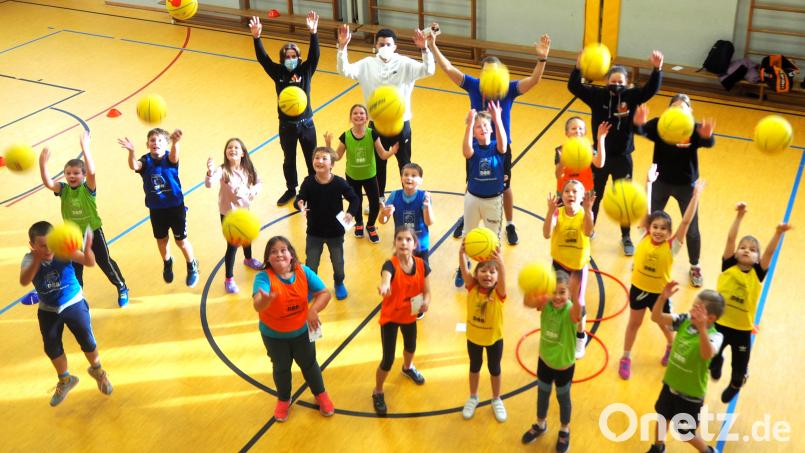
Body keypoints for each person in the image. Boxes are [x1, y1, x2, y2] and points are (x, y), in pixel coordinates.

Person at [432, 25, 551, 245]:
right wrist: (433, 46)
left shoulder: (508, 89)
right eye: (484, 70)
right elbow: (449, 68)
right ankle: (467, 217)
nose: (488, 74)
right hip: (477, 146)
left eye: (492, 71)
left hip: (501, 147)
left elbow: (534, 81)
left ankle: (510, 224)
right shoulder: (474, 86)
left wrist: (541, 59)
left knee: (504, 187)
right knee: (472, 183)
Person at [568, 51, 664, 256]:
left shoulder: (632, 97)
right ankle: (589, 228)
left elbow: (651, 90)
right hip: (600, 157)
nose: (616, 84)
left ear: (627, 83)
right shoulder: (597, 95)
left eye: (620, 81)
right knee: (594, 195)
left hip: (623, 158)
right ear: (606, 81)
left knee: (623, 199)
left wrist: (657, 70)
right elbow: (573, 87)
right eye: (613, 81)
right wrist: (577, 68)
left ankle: (626, 236)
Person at [619, 168, 705, 380]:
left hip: (661, 294)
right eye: (655, 227)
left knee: (663, 324)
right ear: (650, 227)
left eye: (663, 229)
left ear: (669, 232)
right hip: (639, 289)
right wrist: (648, 183)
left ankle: (670, 345)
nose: (658, 231)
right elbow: (647, 210)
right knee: (634, 323)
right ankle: (626, 357)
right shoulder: (644, 235)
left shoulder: (672, 246)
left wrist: (695, 197)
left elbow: (685, 222)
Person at [336, 24, 435, 200]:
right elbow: (344, 70)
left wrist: (425, 49)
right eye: (381, 44)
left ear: (395, 47)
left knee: (404, 164)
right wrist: (342, 47)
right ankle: (379, 199)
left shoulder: (405, 63)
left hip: (401, 124)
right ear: (376, 46)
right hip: (377, 125)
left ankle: (408, 198)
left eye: (388, 44)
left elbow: (429, 70)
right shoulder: (366, 64)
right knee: (378, 165)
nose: (385, 48)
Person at [20, 221, 113, 406]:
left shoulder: (63, 250)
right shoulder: (29, 259)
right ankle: (65, 380)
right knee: (52, 348)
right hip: (48, 309)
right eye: (42, 246)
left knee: (87, 340)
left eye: (51, 243)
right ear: (32, 246)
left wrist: (86, 249)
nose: (47, 249)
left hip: (73, 302)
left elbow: (89, 261)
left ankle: (98, 371)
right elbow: (24, 280)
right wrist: (37, 260)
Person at [710, 202, 791, 403]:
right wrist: (739, 216)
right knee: (711, 357)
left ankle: (736, 384)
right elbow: (730, 238)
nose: (746, 250)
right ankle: (717, 360)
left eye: (752, 249)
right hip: (719, 324)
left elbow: (770, 253)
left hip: (742, 330)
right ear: (735, 252)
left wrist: (778, 233)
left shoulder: (757, 273)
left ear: (757, 259)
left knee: (739, 371)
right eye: (743, 247)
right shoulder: (728, 265)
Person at [633, 95, 715, 287]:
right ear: (669, 110)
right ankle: (645, 256)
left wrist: (707, 135)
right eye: (675, 107)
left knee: (692, 230)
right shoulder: (660, 124)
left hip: (687, 185)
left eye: (684, 107)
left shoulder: (694, 128)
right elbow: (640, 130)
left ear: (690, 112)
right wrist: (637, 124)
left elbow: (708, 143)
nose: (679, 111)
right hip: (661, 181)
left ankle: (694, 265)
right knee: (648, 222)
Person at [39, 131, 129, 306]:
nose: (72, 176)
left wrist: (85, 148)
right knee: (75, 268)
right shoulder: (63, 190)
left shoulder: (87, 189)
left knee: (105, 261)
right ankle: (78, 297)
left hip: (93, 231)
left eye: (76, 173)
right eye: (68, 173)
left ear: (83, 175)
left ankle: (122, 286)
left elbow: (93, 172)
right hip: (73, 236)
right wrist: (43, 163)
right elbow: (48, 183)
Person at [252, 236, 334, 422]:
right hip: (274, 336)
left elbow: (324, 293)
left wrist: (313, 309)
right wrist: (264, 300)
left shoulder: (303, 271)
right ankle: (283, 399)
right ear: (268, 258)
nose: (279, 254)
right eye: (273, 251)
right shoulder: (263, 277)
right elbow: (257, 304)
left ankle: (320, 394)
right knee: (281, 368)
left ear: (291, 255)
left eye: (283, 250)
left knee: (310, 364)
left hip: (302, 332)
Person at [250, 12, 320, 206]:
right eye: (287, 57)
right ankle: (291, 189)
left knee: (311, 158)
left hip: (307, 124)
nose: (291, 59)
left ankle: (312, 191)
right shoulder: (278, 72)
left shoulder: (305, 70)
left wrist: (313, 33)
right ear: (282, 59)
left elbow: (315, 55)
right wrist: (257, 38)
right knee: (289, 159)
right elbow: (263, 59)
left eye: (294, 56)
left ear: (298, 58)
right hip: (286, 125)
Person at [646, 281, 724, 453]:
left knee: (685, 432)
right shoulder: (684, 321)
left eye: (697, 309)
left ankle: (708, 451)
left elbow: (706, 353)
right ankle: (658, 448)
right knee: (662, 417)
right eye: (693, 306)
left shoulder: (715, 336)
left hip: (691, 394)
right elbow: (656, 318)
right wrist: (662, 298)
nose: (691, 310)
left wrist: (702, 329)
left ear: (710, 318)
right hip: (670, 385)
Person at [118, 128, 199, 287]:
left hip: (175, 207)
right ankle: (167, 262)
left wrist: (176, 143)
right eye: (153, 140)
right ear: (147, 144)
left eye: (160, 140)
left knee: (180, 241)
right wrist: (131, 152)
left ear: (166, 144)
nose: (156, 143)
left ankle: (192, 265)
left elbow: (175, 156)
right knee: (161, 240)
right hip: (156, 210)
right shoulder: (146, 161)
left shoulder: (170, 158)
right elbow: (134, 165)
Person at [521, 270, 582, 453]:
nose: (557, 296)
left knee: (563, 398)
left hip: (564, 366)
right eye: (554, 292)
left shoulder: (571, 311)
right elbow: (527, 302)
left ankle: (564, 429)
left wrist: (576, 288)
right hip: (544, 361)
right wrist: (531, 285)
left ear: (569, 293)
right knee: (542, 394)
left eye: (562, 292)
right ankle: (541, 424)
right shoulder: (546, 304)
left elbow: (578, 309)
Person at [373, 226, 431, 416]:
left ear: (415, 244)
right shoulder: (390, 265)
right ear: (395, 244)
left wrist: (426, 303)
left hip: (410, 315)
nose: (403, 242)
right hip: (391, 316)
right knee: (387, 360)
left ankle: (407, 368)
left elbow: (427, 292)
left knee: (411, 347)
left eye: (408, 239)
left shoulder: (422, 265)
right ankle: (378, 391)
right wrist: (384, 286)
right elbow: (385, 278)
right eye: (399, 239)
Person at [296, 146, 359, 300]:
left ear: (332, 164)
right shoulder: (308, 182)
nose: (320, 161)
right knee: (311, 264)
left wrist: (351, 212)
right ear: (312, 162)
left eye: (324, 158)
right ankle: (311, 287)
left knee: (338, 263)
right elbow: (300, 198)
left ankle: (339, 282)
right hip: (314, 232)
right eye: (317, 158)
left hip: (335, 233)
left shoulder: (339, 183)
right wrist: (300, 203)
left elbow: (355, 199)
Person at [454, 105, 506, 288]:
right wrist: (469, 124)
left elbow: (503, 142)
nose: (482, 128)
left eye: (485, 125)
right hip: (473, 199)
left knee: (494, 238)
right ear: (474, 133)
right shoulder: (473, 149)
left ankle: (492, 270)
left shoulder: (497, 148)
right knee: (468, 234)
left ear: (491, 129)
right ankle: (463, 266)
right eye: (478, 126)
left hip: (494, 201)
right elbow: (465, 150)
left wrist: (497, 118)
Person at [331, 104, 398, 243]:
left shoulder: (372, 134)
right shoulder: (345, 136)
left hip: (370, 176)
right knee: (357, 201)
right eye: (355, 113)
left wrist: (392, 151)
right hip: (352, 176)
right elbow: (337, 157)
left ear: (367, 118)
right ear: (351, 118)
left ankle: (371, 226)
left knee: (374, 203)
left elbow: (383, 155)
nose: (358, 115)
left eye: (362, 113)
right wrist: (327, 145)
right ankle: (359, 223)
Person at [544, 181, 595, 359]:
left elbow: (588, 232)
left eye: (575, 191)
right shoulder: (558, 213)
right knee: (556, 299)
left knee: (578, 302)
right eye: (567, 191)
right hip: (559, 264)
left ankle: (581, 336)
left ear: (582, 197)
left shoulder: (585, 213)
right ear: (562, 195)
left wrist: (588, 210)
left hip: (577, 268)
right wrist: (550, 212)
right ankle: (558, 329)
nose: (570, 194)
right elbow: (546, 234)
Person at [205, 138, 263, 294]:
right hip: (229, 216)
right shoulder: (222, 170)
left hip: (244, 211)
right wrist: (210, 172)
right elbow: (209, 184)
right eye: (229, 147)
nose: (232, 149)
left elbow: (259, 182)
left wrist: (254, 191)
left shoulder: (248, 168)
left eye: (236, 147)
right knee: (233, 245)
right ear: (226, 152)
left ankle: (248, 259)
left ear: (243, 153)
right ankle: (228, 279)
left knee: (247, 236)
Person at [458, 244, 507, 422]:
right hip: (474, 338)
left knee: (495, 369)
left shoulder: (499, 293)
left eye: (492, 272)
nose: (488, 275)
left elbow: (503, 281)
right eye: (483, 271)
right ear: (476, 274)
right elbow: (465, 271)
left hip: (494, 339)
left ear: (497, 277)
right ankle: (473, 397)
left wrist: (500, 264)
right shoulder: (472, 288)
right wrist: (462, 254)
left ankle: (496, 398)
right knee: (474, 366)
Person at [380, 162, 434, 263]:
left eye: (414, 175)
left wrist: (427, 207)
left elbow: (429, 222)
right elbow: (383, 221)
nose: (409, 178)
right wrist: (384, 214)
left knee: (422, 275)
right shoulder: (394, 195)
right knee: (401, 275)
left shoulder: (424, 197)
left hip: (420, 245)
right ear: (401, 178)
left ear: (421, 180)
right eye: (406, 174)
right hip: (402, 246)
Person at [554, 118, 609, 196]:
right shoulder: (561, 150)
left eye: (580, 128)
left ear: (585, 132)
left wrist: (601, 138)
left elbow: (599, 164)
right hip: (566, 192)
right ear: (566, 133)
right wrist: (562, 162)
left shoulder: (588, 148)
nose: (577, 131)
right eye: (573, 128)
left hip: (585, 191)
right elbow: (558, 175)